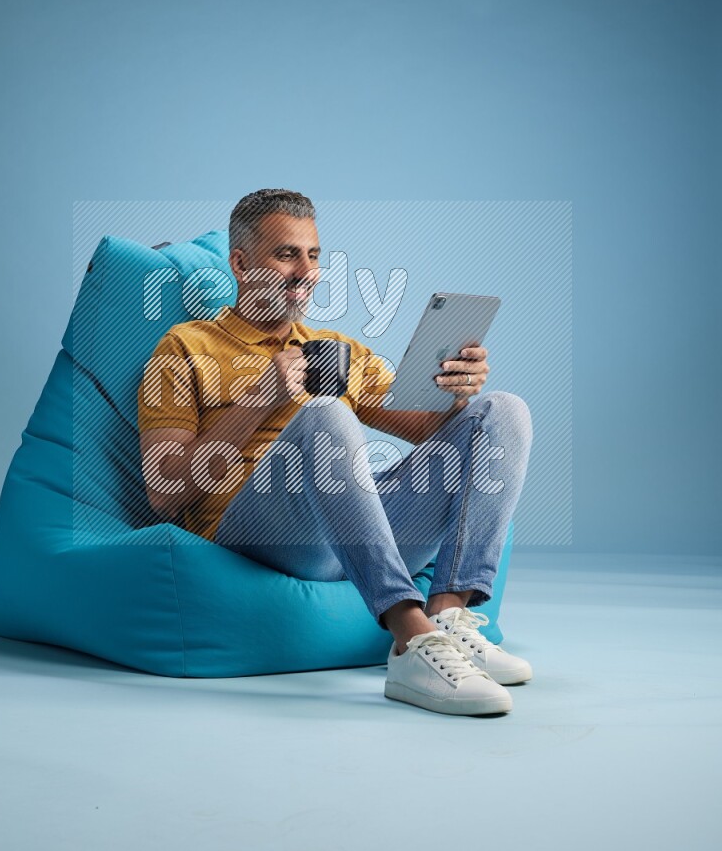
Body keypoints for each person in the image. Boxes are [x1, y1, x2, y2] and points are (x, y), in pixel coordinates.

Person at [137, 189, 534, 717]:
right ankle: (410, 641)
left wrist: (457, 389)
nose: (306, 271)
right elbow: (164, 495)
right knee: (327, 415)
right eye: (286, 254)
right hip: (259, 536)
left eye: (315, 255)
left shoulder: (333, 349)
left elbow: (429, 431)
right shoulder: (185, 347)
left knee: (502, 410)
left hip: (348, 531)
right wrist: (261, 399)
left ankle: (447, 615)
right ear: (240, 262)